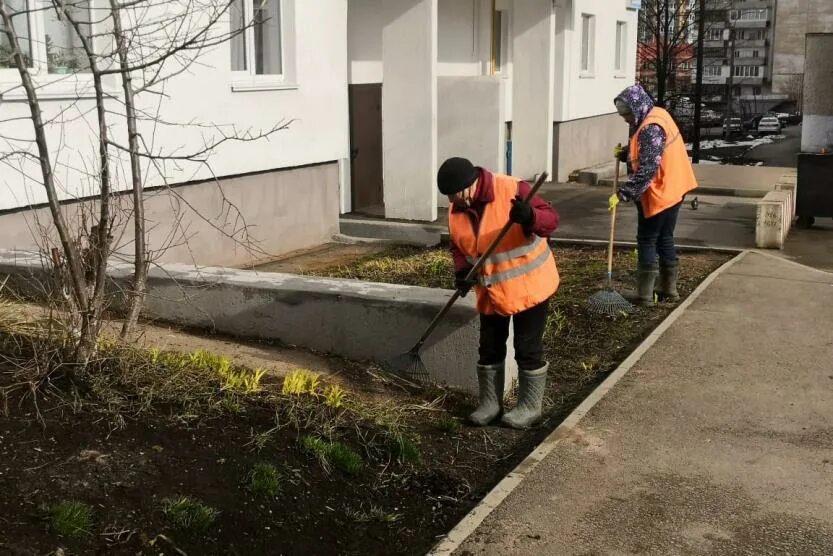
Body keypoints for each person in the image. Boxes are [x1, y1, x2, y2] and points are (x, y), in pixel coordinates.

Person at [436, 157, 560, 429]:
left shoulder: (513, 189)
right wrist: (461, 273)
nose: (453, 202)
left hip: (530, 286)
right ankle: (490, 404)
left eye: (455, 196)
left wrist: (530, 217)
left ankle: (530, 407)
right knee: (489, 347)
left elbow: (551, 221)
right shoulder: (456, 209)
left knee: (527, 348)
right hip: (492, 289)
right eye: (449, 198)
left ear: (470, 186)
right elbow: (458, 246)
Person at [611, 84, 698, 305]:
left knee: (647, 239)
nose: (626, 120)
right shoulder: (657, 114)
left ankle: (645, 295)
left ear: (637, 107)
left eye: (627, 114)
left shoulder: (650, 128)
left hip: (660, 191)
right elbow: (651, 153)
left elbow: (649, 168)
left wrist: (624, 193)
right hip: (675, 187)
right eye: (623, 116)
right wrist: (625, 154)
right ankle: (669, 290)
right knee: (665, 237)